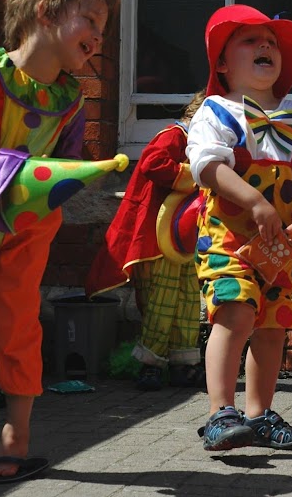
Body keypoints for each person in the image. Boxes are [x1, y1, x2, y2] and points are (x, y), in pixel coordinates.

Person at [0, 0, 120, 484]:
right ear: (46, 13)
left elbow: (66, 164)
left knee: (18, 324)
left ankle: (16, 438)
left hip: (30, 227)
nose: (100, 35)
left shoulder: (71, 100)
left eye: (105, 26)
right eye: (91, 19)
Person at [186, 4, 292, 452]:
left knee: (272, 324)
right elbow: (206, 165)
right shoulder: (216, 110)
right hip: (228, 237)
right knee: (236, 311)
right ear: (223, 64)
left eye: (271, 41)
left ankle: (260, 414)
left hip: (278, 245)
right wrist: (253, 201)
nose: (265, 45)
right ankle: (219, 413)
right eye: (250, 40)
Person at [85, 90, 207, 392]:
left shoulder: (199, 144)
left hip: (182, 237)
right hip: (157, 237)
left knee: (188, 302)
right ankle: (150, 366)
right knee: (162, 303)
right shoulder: (173, 136)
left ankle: (183, 364)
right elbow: (153, 164)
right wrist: (192, 174)